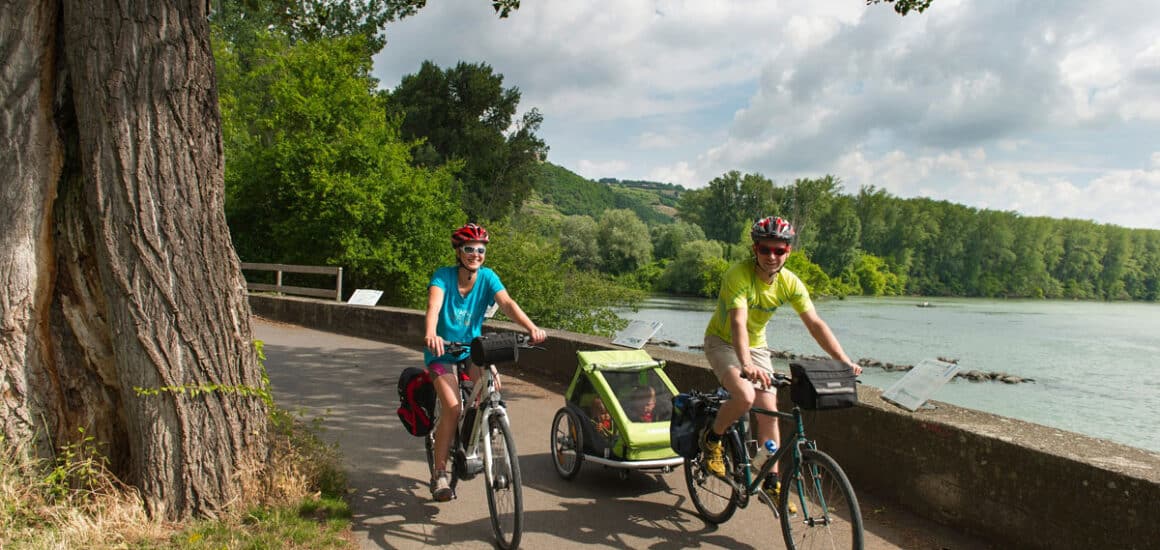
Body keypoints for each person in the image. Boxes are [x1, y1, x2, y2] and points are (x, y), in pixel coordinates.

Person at [700, 216, 861, 500]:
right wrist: (746, 366)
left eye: (779, 250)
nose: (772, 256)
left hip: (757, 346)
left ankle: (771, 479)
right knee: (745, 396)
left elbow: (815, 324)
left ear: (788, 251)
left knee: (769, 409)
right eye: (765, 249)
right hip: (722, 342)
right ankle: (713, 439)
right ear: (755, 249)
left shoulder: (789, 282)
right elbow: (739, 322)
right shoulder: (738, 275)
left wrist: (844, 361)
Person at [424, 222, 547, 502]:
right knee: (453, 407)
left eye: (480, 250)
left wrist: (531, 327)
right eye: (469, 249)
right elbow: (434, 306)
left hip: (471, 349)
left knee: (492, 389)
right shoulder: (443, 277)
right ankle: (440, 473)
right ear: (458, 251)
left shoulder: (488, 277)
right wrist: (431, 334)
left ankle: (480, 438)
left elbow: (507, 304)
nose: (476, 254)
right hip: (442, 351)